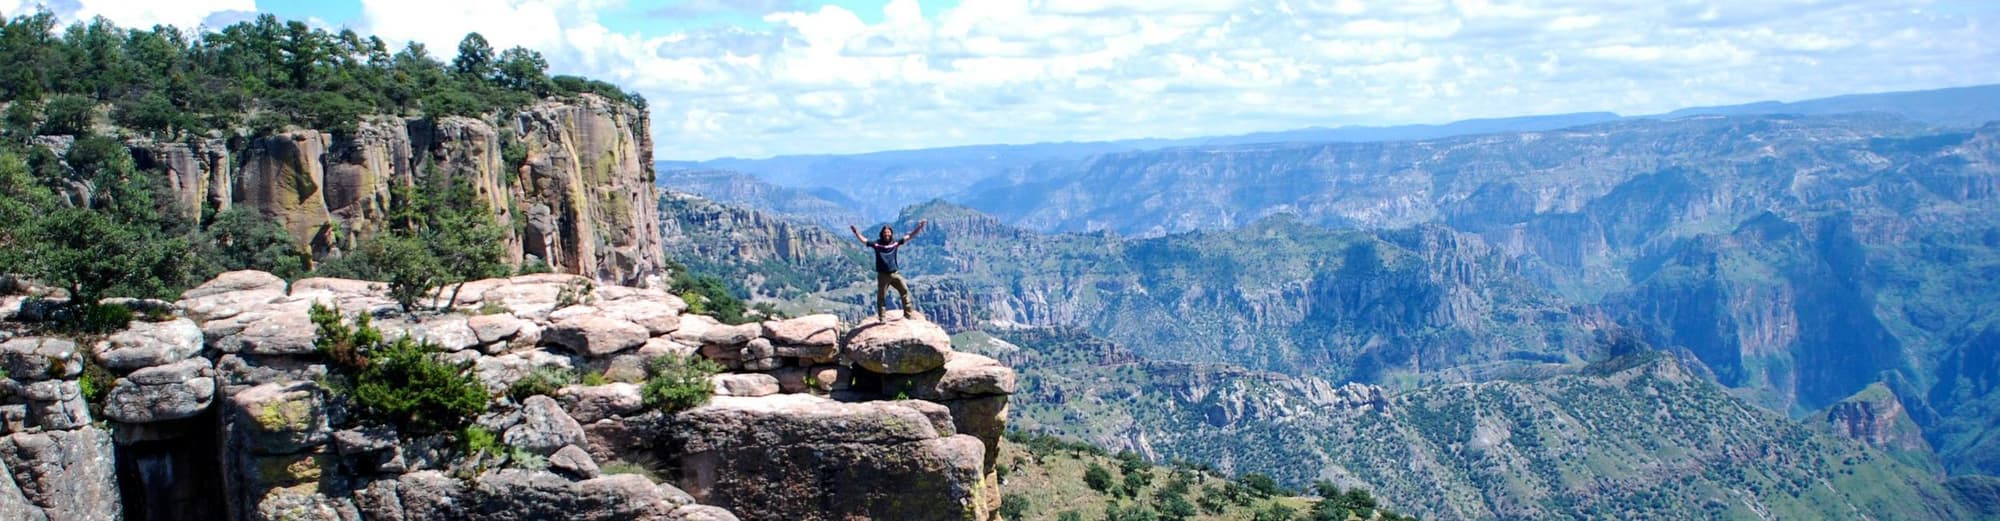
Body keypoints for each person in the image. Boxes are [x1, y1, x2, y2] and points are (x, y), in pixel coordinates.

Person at [850, 220, 927, 322]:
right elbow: (864, 240)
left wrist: (920, 227)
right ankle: (882, 318)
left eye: (889, 232)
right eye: (885, 233)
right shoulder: (877, 244)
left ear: (891, 233)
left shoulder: (895, 243)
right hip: (883, 275)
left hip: (895, 273)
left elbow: (909, 237)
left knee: (904, 291)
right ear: (882, 234)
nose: (887, 234)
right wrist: (856, 233)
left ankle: (908, 314)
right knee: (881, 297)